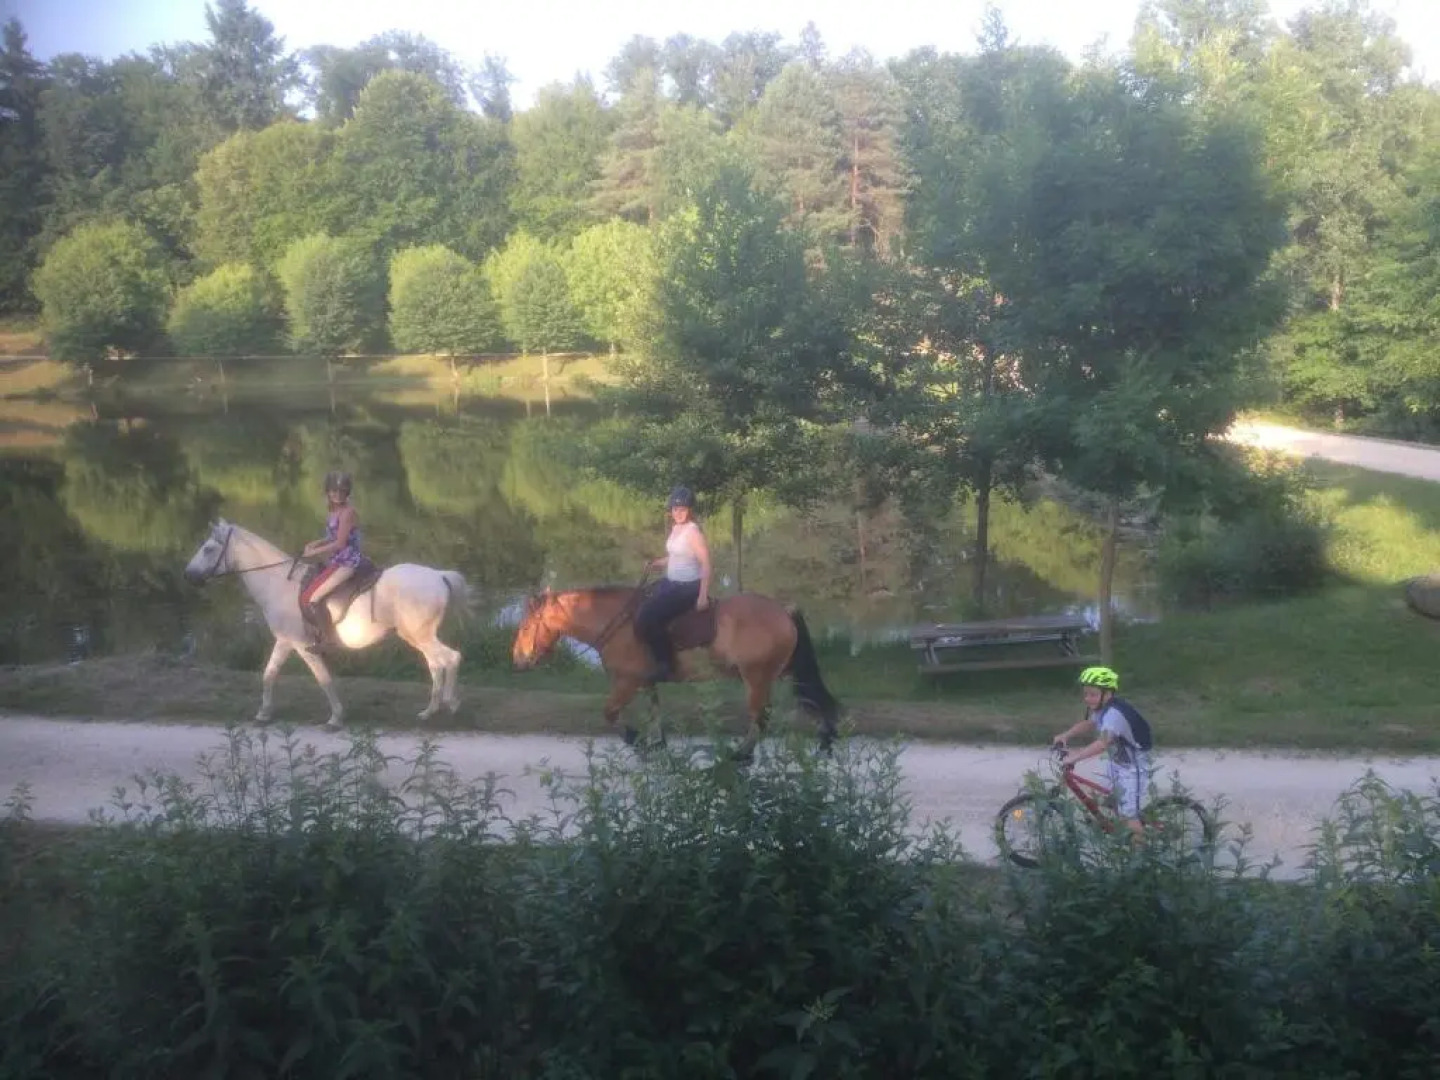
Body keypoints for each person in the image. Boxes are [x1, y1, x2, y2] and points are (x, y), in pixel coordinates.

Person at [1052, 665, 1153, 842]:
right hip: (1117, 761)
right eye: (1085, 694)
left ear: (1107, 693)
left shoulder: (1114, 714)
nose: (1087, 699)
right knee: (1110, 800)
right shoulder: (1103, 708)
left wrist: (1075, 757)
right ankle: (1120, 831)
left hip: (1132, 766)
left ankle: (1139, 860)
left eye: (1093, 694)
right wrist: (1065, 735)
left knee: (1128, 816)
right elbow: (1089, 724)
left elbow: (1103, 743)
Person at [634, 485, 712, 684]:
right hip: (670, 581)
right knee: (640, 602)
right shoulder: (677, 529)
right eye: (675, 509)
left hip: (686, 588)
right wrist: (655, 563)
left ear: (690, 510)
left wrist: (703, 596)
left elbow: (706, 563)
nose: (678, 513)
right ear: (671, 511)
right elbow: (675, 556)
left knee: (647, 617)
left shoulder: (693, 532)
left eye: (683, 509)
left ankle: (666, 665)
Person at [299, 471, 363, 652]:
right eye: (334, 491)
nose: (337, 495)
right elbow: (331, 537)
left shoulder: (348, 513)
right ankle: (317, 634)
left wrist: (315, 552)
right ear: (328, 492)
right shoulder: (334, 512)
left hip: (347, 562)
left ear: (347, 493)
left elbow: (340, 543)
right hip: (336, 560)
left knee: (314, 599)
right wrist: (315, 543)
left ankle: (330, 640)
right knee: (308, 592)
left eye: (341, 492)